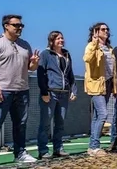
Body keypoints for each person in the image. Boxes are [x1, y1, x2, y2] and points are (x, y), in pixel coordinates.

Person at [0, 14, 39, 167]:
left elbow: (29, 69)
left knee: (21, 123)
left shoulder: (25, 45)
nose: (19, 28)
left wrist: (34, 63)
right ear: (6, 26)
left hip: (21, 90)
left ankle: (20, 153)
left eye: (21, 25)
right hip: (1, 90)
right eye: (16, 25)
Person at [37, 31, 77, 159]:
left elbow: (70, 74)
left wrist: (73, 90)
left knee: (60, 122)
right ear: (52, 41)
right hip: (51, 92)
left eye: (62, 38)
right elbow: (40, 73)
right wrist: (44, 92)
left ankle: (58, 148)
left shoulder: (66, 54)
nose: (61, 40)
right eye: (58, 38)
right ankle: (43, 150)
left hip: (64, 93)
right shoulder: (45, 54)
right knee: (46, 122)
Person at [83, 22, 117, 157]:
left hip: (107, 84)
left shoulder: (109, 48)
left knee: (97, 116)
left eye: (107, 29)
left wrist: (114, 87)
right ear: (95, 32)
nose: (106, 31)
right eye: (103, 29)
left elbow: (113, 69)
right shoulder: (91, 46)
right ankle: (95, 146)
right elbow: (87, 59)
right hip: (96, 85)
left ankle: (92, 146)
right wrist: (95, 43)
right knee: (103, 114)